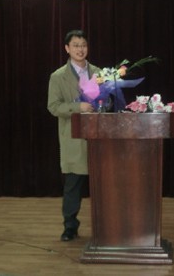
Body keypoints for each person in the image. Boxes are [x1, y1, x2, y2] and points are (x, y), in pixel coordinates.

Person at [47, 29, 100, 242]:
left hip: (98, 137)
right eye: (76, 45)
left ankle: (106, 225)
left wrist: (103, 103)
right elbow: (53, 106)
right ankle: (70, 226)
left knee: (103, 183)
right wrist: (78, 107)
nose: (80, 49)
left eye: (83, 45)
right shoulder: (58, 76)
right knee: (73, 186)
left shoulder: (99, 72)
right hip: (74, 137)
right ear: (67, 49)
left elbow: (109, 101)